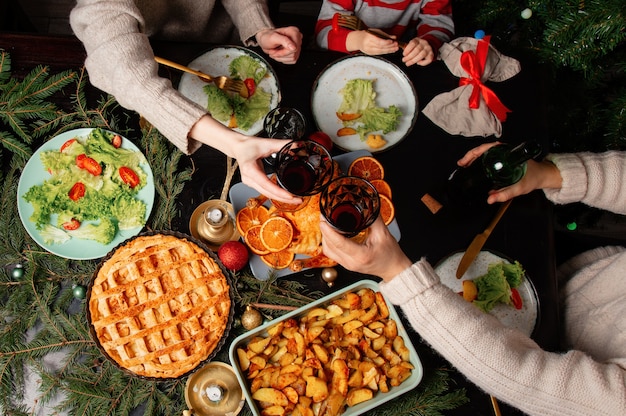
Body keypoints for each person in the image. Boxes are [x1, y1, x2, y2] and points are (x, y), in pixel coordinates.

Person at [320, 143, 626, 416]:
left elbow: (528, 381)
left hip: (548, 341)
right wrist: (549, 174)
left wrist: (398, 274)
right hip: (583, 274)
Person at [70, 0, 304, 204]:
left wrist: (259, 27)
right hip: (151, 53)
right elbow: (130, 75)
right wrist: (236, 144)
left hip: (225, 35)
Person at [314, 0, 454, 66]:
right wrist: (357, 40)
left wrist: (428, 43)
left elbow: (439, 24)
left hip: (401, 58)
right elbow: (322, 35)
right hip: (344, 59)